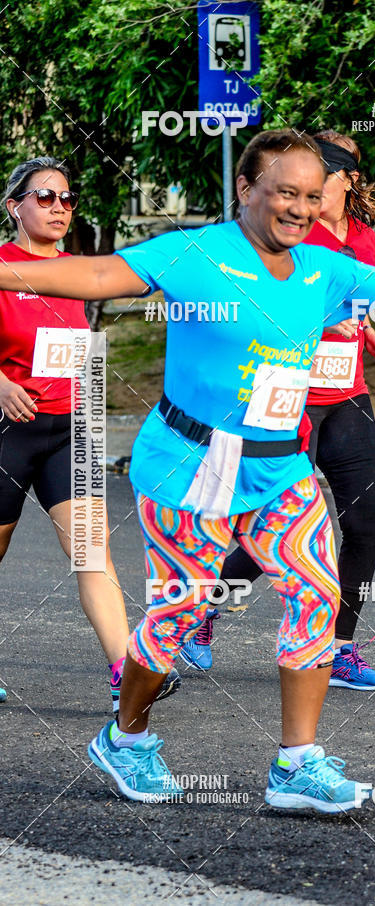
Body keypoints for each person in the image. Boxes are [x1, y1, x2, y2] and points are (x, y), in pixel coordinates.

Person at [0, 131, 375, 810]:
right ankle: (127, 736)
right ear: (247, 189)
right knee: (175, 617)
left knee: (317, 595)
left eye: (311, 194)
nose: (300, 208)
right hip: (191, 466)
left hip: (279, 466)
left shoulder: (325, 271)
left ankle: (297, 763)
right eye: (285, 192)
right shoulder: (196, 252)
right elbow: (91, 276)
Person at [181, 130, 375, 692]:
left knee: (365, 524)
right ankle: (202, 608)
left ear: (345, 180)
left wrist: (367, 336)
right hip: (288, 398)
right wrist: (323, 324)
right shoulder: (290, 238)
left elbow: (352, 305)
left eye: (320, 174)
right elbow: (265, 309)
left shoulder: (365, 241)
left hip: (346, 394)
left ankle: (339, 649)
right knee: (274, 528)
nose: (304, 187)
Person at [0, 157, 180, 711]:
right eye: (46, 198)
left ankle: (125, 670)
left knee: (91, 552)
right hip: (7, 431)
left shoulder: (79, 272)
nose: (59, 208)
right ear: (15, 207)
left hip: (69, 431)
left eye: (67, 199)